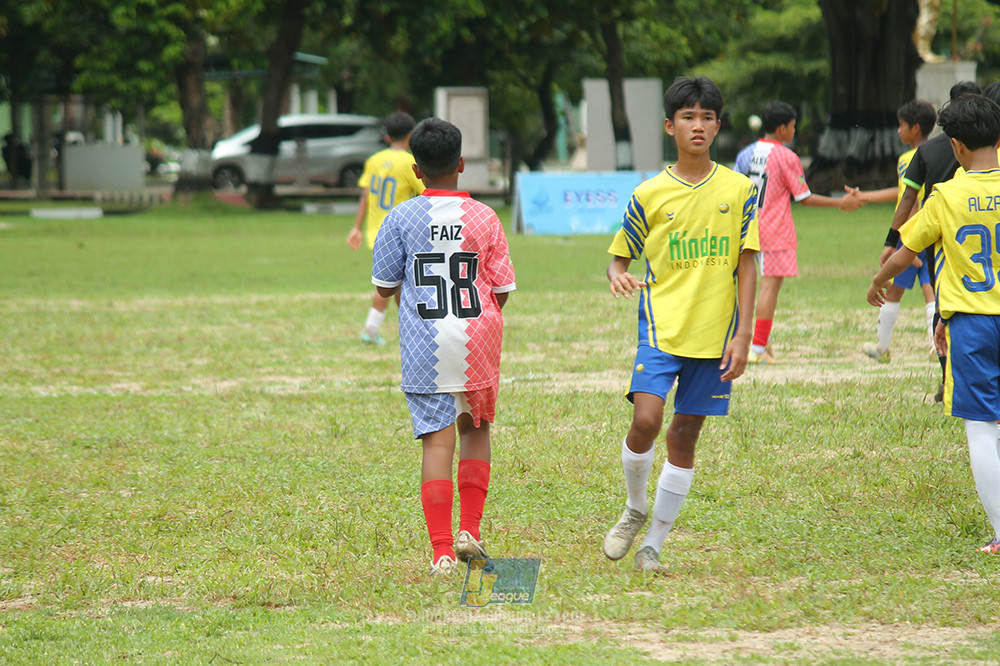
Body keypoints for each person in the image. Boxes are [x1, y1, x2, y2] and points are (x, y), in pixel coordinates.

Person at [601, 76, 760, 572]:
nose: (698, 126)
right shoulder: (649, 193)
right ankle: (635, 506)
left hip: (716, 336)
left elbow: (748, 264)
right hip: (661, 329)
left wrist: (744, 334)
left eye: (707, 117)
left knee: (684, 435)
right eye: (688, 117)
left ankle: (654, 543)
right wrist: (618, 275)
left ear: (718, 126)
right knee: (646, 420)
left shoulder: (740, 190)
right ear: (670, 126)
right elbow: (619, 258)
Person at [371, 117, 517, 575]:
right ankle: (470, 530)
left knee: (437, 443)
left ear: (416, 170)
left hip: (424, 346)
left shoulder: (400, 217)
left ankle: (441, 553)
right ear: (462, 163)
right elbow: (502, 290)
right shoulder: (485, 217)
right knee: (475, 429)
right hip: (478, 341)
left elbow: (385, 285)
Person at [868, 92, 1000, 554]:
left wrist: (878, 281)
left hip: (973, 324)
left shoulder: (945, 197)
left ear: (957, 146)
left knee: (981, 425)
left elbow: (906, 252)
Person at [736, 101, 864, 364]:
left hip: (747, 227)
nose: (794, 131)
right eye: (793, 126)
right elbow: (804, 197)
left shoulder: (746, 154)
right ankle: (757, 349)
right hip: (774, 230)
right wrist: (841, 202)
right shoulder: (786, 157)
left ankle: (759, 342)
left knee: (750, 285)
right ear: (782, 128)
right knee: (770, 287)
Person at [881, 81, 982, 401]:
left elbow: (908, 197)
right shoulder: (987, 150)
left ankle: (946, 378)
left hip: (936, 237)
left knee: (942, 302)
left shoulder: (927, 150)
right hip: (980, 233)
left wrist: (891, 240)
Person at [861, 100, 939, 363]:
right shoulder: (939, 153)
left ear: (915, 128)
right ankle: (935, 346)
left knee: (893, 290)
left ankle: (883, 348)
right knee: (931, 290)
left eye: (901, 125)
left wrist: (907, 240)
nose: (898, 130)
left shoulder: (909, 158)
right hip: (933, 230)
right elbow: (902, 191)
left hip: (912, 234)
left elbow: (910, 197)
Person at [348, 112, 425, 345]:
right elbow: (427, 192)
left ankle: (409, 328)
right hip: (399, 231)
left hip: (376, 231)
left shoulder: (374, 160)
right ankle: (372, 329)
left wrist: (357, 228)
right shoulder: (409, 163)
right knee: (394, 284)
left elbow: (365, 195)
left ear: (387, 136)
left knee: (399, 283)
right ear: (411, 136)